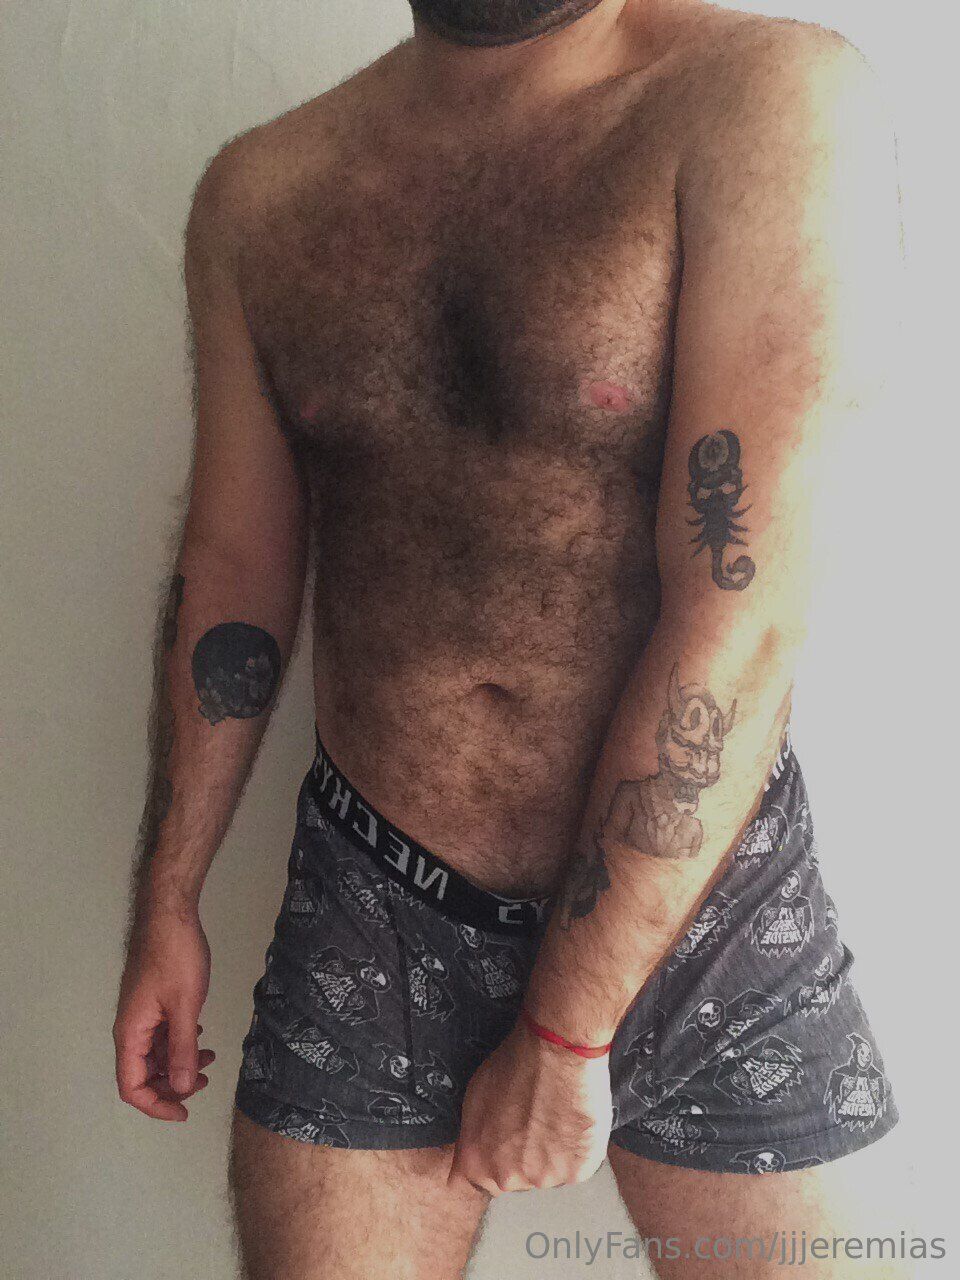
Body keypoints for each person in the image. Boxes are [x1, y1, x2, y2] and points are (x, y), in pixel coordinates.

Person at [113, 1, 908, 1275]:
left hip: (701, 897)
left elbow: (746, 610)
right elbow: (233, 569)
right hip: (374, 902)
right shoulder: (260, 195)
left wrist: (567, 1029)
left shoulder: (758, 98)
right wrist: (168, 893)